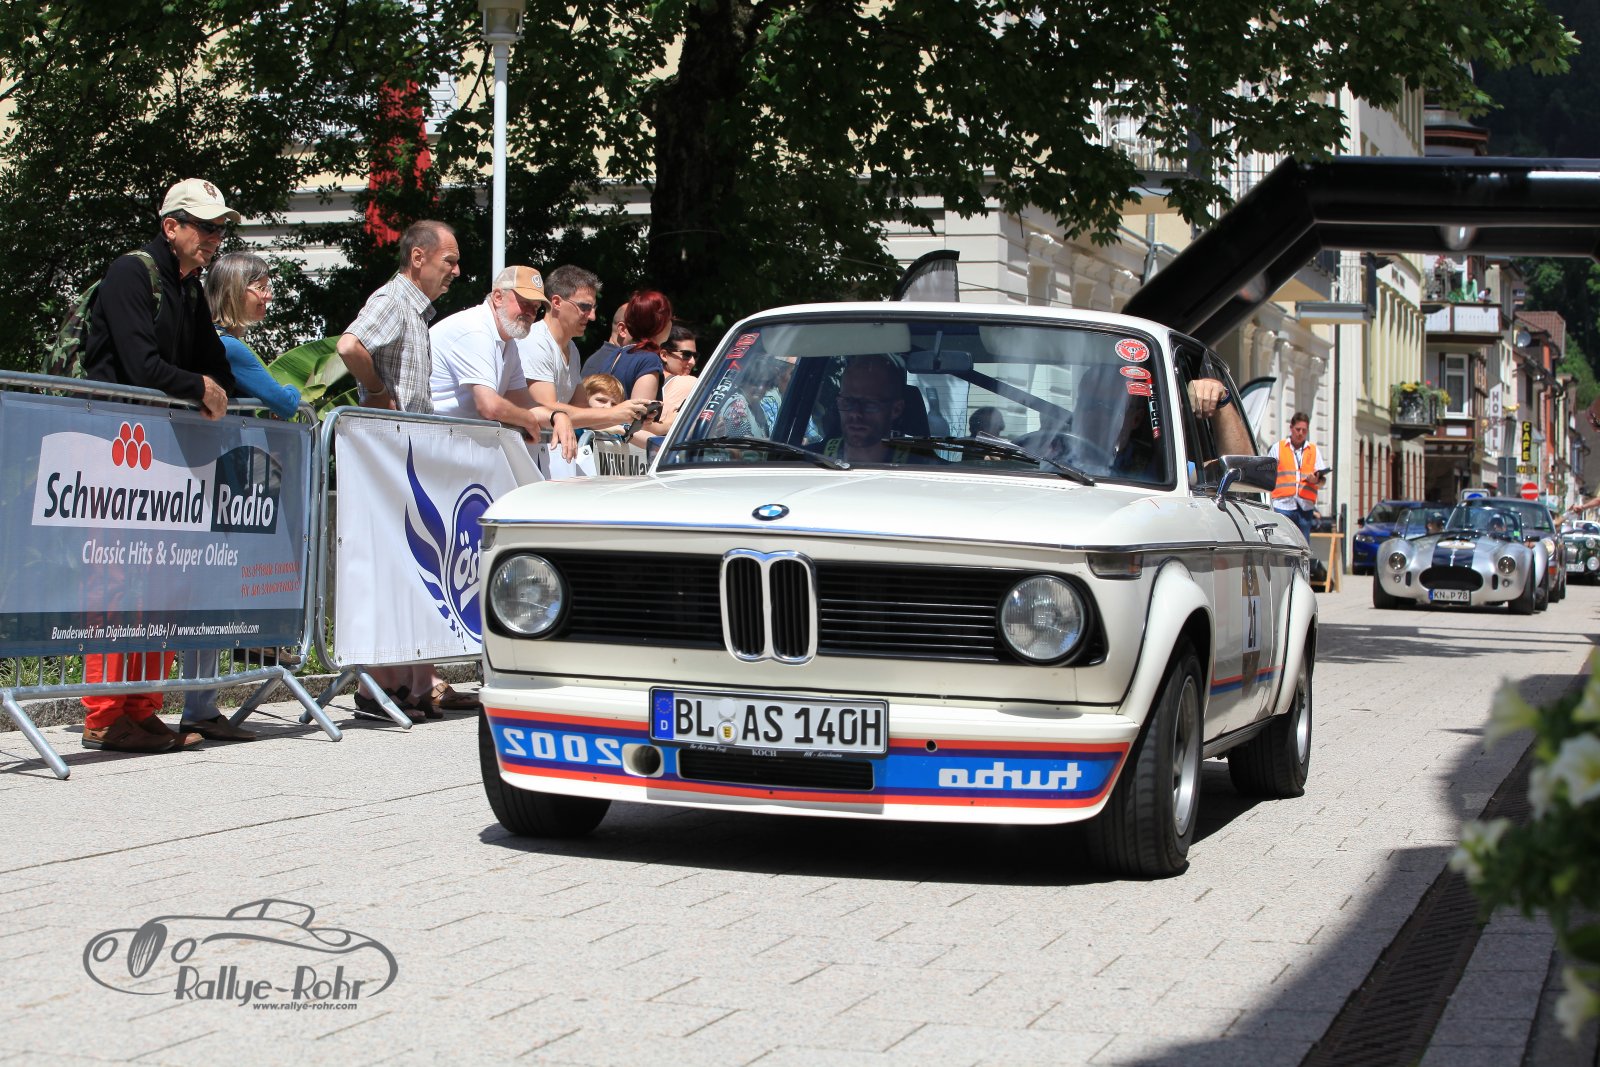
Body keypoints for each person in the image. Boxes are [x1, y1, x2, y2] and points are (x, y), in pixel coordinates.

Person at [78, 178, 244, 755]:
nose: (215, 237)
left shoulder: (189, 286)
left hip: (163, 456)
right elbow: (140, 365)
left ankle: (142, 707)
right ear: (171, 226)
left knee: (163, 582)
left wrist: (210, 385)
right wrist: (199, 387)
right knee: (115, 583)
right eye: (206, 226)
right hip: (115, 451)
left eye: (221, 228)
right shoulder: (131, 273)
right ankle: (104, 715)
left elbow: (217, 366)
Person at [172, 251, 303, 744]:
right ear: (234, 291)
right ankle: (200, 707)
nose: (268, 295)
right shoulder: (231, 347)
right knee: (209, 595)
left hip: (203, 481)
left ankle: (200, 705)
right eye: (260, 286)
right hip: (218, 486)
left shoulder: (209, 341)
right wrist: (294, 392)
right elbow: (284, 401)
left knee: (203, 594)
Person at [336, 219, 459, 720]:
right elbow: (350, 346)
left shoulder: (414, 310)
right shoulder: (392, 300)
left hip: (404, 457)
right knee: (391, 567)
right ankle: (377, 688)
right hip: (388, 456)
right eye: (449, 261)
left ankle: (405, 683)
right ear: (418, 258)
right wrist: (376, 391)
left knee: (408, 568)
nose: (455, 271)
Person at [428, 265, 570, 457]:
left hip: (454, 446)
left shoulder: (508, 341)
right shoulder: (475, 329)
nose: (530, 312)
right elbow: (490, 406)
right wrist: (528, 419)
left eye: (536, 307)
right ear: (497, 297)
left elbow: (522, 401)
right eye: (525, 303)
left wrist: (556, 416)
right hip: (433, 445)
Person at [517, 266, 649, 453]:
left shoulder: (571, 348)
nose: (592, 316)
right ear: (556, 302)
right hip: (526, 453)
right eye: (584, 307)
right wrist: (614, 413)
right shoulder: (535, 342)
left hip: (546, 454)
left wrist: (629, 416)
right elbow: (547, 409)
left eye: (593, 308)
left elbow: (580, 409)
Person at [580, 289, 672, 402]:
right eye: (669, 319)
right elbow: (640, 411)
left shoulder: (616, 354)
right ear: (659, 323)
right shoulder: (649, 360)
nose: (671, 323)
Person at [822, 355, 913, 464]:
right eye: (847, 402)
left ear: (896, 409)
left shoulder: (923, 468)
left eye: (870, 404)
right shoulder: (809, 461)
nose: (855, 413)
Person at [1272, 411, 1324, 543]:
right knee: (1283, 543)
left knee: (1303, 546)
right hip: (1282, 505)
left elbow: (1322, 481)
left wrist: (1316, 480)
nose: (1300, 433)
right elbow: (1267, 474)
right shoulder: (1278, 448)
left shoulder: (1313, 450)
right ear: (1291, 428)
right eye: (1298, 429)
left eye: (1304, 430)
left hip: (1305, 507)